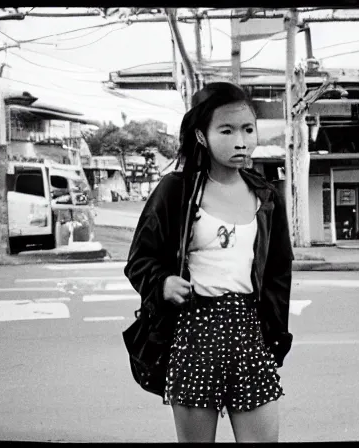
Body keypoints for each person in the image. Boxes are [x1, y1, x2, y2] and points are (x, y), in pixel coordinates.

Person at [124, 82, 294, 443]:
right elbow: (140, 258)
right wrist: (162, 283)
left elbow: (279, 272)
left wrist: (273, 335)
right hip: (193, 332)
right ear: (201, 135)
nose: (241, 141)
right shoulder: (177, 190)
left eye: (248, 129)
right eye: (227, 130)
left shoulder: (267, 196)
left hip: (249, 333)